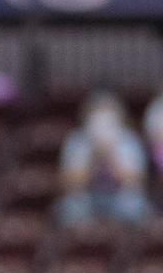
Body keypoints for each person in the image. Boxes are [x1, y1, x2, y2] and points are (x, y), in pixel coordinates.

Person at [58, 93, 149, 227]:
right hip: (87, 195)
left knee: (135, 207)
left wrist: (111, 157)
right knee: (70, 208)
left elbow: (138, 181)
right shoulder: (76, 140)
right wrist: (94, 158)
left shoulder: (129, 140)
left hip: (119, 196)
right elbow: (67, 182)